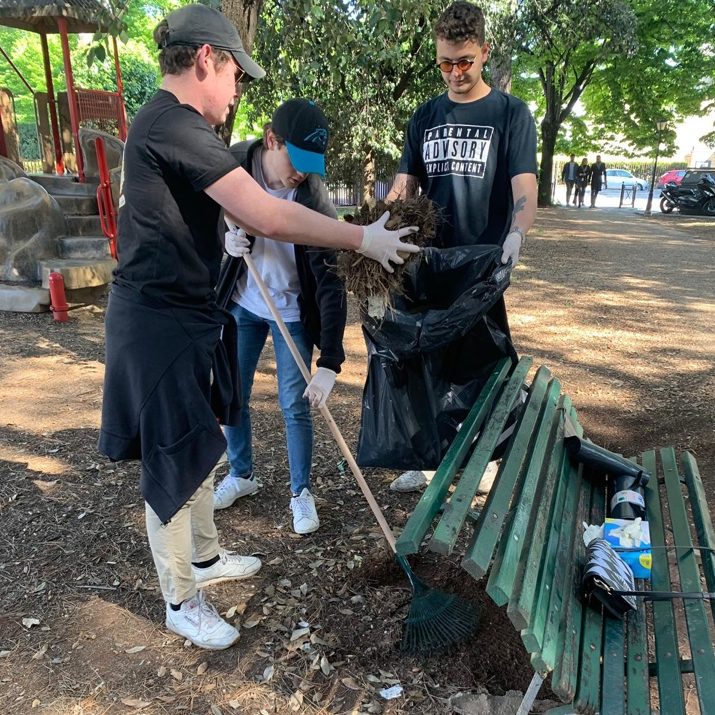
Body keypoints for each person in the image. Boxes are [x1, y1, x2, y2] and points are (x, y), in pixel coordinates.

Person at [98, 4, 419, 651]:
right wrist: (363, 235)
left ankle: (208, 559)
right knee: (171, 460)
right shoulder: (176, 124)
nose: (238, 90)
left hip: (186, 320)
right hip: (157, 327)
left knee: (197, 447)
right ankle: (180, 600)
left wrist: (228, 232)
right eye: (236, 75)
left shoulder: (174, 126)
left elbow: (214, 217)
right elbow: (270, 216)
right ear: (205, 60)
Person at [384, 1, 537, 488]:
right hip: (430, 263)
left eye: (464, 61)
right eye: (445, 62)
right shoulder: (426, 115)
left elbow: (525, 189)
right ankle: (432, 459)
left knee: (484, 360)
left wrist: (517, 233)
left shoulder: (510, 114)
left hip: (482, 264)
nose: (454, 73)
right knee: (429, 359)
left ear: (484, 52)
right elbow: (404, 186)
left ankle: (487, 461)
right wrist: (375, 228)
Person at [213, 99, 345, 536]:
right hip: (244, 302)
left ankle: (301, 492)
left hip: (290, 312)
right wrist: (225, 241)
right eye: (297, 160)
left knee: (295, 404)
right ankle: (241, 473)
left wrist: (329, 362)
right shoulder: (233, 166)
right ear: (272, 140)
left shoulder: (313, 197)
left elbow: (330, 282)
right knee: (233, 392)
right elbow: (206, 214)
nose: (302, 172)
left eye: (312, 164)